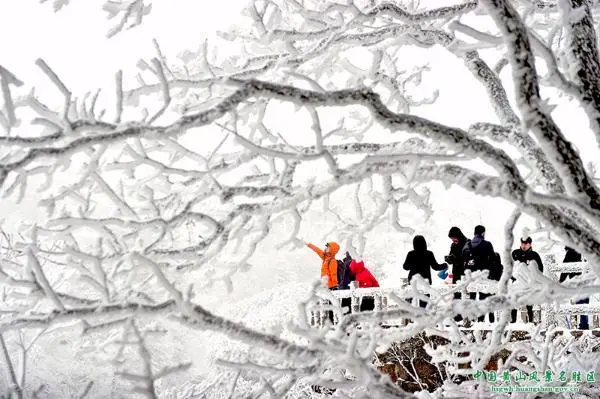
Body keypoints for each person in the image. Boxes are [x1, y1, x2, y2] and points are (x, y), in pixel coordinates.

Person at [463, 225, 497, 322]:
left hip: (471, 277)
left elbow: (464, 261)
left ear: (474, 233)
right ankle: (482, 323)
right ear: (483, 233)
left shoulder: (467, 245)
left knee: (472, 299)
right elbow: (493, 260)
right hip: (483, 276)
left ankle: (472, 321)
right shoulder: (487, 244)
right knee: (484, 299)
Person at [403, 235, 447, 308]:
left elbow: (405, 267)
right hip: (425, 281)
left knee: (411, 300)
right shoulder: (429, 253)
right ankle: (424, 317)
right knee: (424, 303)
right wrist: (445, 265)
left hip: (413, 281)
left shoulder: (411, 254)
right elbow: (435, 267)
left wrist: (413, 265)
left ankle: (410, 317)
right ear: (424, 243)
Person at [510, 236, 543, 323]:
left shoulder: (534, 255)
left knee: (529, 304)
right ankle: (513, 322)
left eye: (526, 244)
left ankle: (531, 323)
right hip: (517, 282)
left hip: (529, 282)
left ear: (530, 244)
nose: (524, 245)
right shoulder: (515, 253)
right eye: (522, 243)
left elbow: (540, 269)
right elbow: (510, 266)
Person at [307, 241, 340, 323]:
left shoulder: (332, 261)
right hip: (325, 286)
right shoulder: (325, 258)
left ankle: (332, 321)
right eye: (326, 247)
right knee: (326, 304)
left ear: (332, 249)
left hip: (331, 286)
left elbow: (334, 274)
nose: (326, 248)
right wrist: (309, 244)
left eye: (328, 247)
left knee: (330, 304)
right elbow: (318, 251)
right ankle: (327, 321)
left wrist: (335, 285)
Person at [559, 246, 588, 330]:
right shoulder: (573, 252)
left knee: (583, 303)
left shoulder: (576, 251)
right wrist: (561, 281)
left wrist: (561, 282)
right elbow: (565, 268)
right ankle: (583, 324)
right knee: (582, 303)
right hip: (580, 282)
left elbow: (564, 269)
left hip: (582, 281)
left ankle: (583, 324)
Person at [445, 227, 468, 321]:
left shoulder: (467, 243)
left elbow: (466, 258)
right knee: (456, 293)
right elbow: (452, 256)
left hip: (465, 272)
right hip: (456, 272)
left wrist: (456, 259)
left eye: (454, 238)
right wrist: (449, 259)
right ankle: (457, 316)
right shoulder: (453, 245)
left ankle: (465, 315)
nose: (453, 240)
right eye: (451, 239)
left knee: (465, 293)